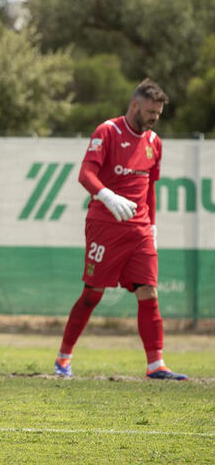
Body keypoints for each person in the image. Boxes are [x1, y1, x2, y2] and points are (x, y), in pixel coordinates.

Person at [53, 78, 186, 381]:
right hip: (105, 226)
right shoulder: (108, 132)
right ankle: (63, 358)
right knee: (93, 294)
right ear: (135, 105)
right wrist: (107, 196)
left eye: (158, 114)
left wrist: (152, 226)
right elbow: (86, 174)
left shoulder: (154, 142)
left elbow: (149, 188)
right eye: (151, 112)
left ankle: (156, 364)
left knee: (148, 291)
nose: (154, 118)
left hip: (139, 229)